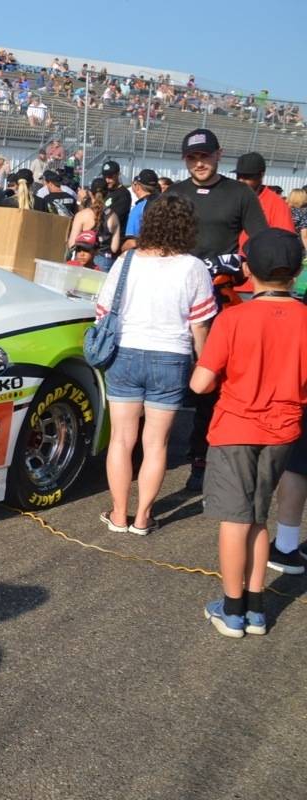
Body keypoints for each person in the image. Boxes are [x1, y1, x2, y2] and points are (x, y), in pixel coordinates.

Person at [190, 229, 307, 637]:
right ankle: (256, 606)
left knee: (234, 521)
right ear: (296, 273)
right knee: (258, 517)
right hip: (284, 430)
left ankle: (233, 608)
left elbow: (200, 385)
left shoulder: (234, 317)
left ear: (247, 270)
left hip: (236, 428)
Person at [96, 193, 216, 536]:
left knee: (121, 439)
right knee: (156, 443)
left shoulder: (127, 262)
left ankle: (119, 514)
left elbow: (103, 312)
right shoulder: (194, 267)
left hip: (125, 353)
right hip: (171, 358)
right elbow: (201, 325)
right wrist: (202, 365)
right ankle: (144, 517)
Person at [167, 129, 269, 492]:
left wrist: (238, 261)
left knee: (210, 374)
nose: (199, 163)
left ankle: (201, 453)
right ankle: (149, 450)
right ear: (185, 159)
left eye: (205, 156)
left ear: (218, 155)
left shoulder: (239, 193)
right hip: (174, 296)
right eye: (193, 157)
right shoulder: (174, 193)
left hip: (216, 297)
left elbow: (261, 242)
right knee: (167, 369)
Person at [233, 152, 295, 254]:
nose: (241, 181)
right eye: (239, 176)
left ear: (261, 175)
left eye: (247, 177)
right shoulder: (230, 197)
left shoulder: (277, 204)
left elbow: (285, 243)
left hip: (255, 264)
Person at [120, 169, 160, 251]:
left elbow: (131, 242)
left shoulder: (139, 208)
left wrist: (122, 250)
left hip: (145, 255)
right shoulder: (166, 204)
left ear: (137, 186)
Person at [100, 160, 132, 237]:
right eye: (105, 176)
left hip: (113, 237)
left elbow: (114, 219)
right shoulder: (104, 190)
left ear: (118, 174)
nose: (107, 180)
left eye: (110, 177)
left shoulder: (123, 194)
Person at [288, 187, 307, 252]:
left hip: (281, 243)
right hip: (296, 246)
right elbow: (304, 236)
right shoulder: (303, 213)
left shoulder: (283, 210)